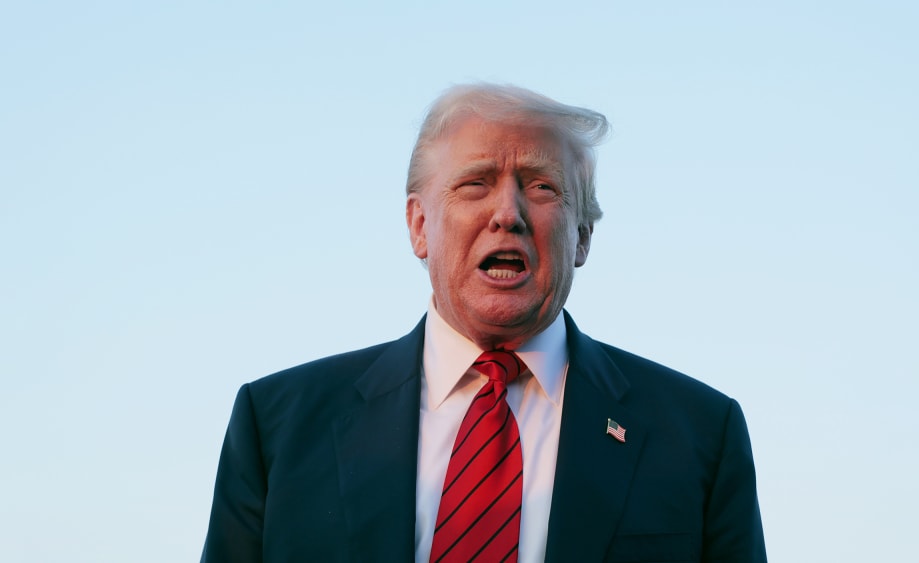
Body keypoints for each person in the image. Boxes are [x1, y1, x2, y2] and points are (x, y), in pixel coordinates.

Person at [201, 83, 767, 562]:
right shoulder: (278, 426)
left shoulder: (698, 434)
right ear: (420, 226)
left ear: (583, 237)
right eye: (475, 183)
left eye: (542, 187)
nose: (508, 214)